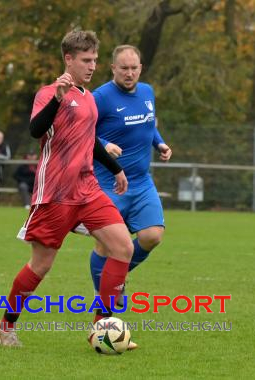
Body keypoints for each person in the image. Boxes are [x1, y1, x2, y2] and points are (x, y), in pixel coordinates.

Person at [0, 30, 134, 348]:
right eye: (86, 60)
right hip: (55, 194)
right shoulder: (49, 93)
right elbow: (35, 130)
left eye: (95, 60)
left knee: (123, 247)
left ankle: (101, 328)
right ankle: (5, 326)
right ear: (68, 59)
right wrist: (57, 98)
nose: (92, 66)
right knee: (40, 266)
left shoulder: (88, 98)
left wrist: (116, 169)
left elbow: (90, 140)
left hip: (88, 190)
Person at [88, 45, 172, 306]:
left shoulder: (147, 92)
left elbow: (148, 122)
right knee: (107, 246)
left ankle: (114, 279)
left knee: (152, 236)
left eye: (134, 68)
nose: (129, 73)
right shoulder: (100, 97)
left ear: (141, 68)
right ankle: (105, 298)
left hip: (142, 181)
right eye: (123, 68)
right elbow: (80, 131)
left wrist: (159, 143)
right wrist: (104, 143)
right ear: (113, 68)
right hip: (108, 183)